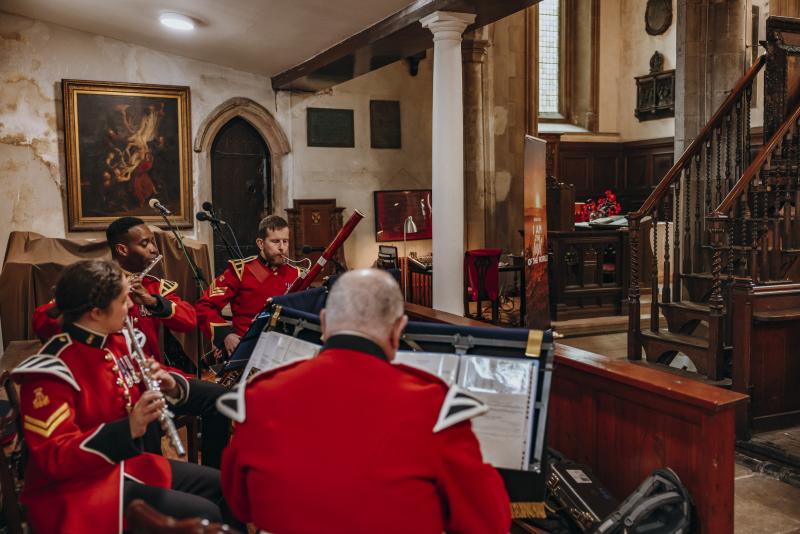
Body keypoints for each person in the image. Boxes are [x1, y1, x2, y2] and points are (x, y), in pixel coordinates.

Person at [218, 269, 511, 534]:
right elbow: (489, 523)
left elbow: (240, 503)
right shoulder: (436, 409)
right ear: (399, 329)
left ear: (323, 323)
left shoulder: (260, 396)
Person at [12, 260, 226, 533]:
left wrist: (170, 387)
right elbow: (55, 459)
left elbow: (136, 393)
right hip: (76, 490)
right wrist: (130, 427)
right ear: (95, 312)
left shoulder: (118, 341)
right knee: (204, 513)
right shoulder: (50, 372)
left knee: (224, 487)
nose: (131, 307)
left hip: (123, 467)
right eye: (124, 300)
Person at [32, 216, 230, 468]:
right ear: (122, 249)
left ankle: (215, 475)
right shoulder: (97, 285)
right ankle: (152, 480)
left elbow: (189, 320)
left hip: (153, 374)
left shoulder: (154, 287)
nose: (154, 250)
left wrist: (152, 302)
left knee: (220, 399)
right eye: (145, 243)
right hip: (111, 380)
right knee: (140, 421)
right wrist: (87, 301)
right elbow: (41, 322)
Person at [196, 214, 298, 356]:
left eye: (285, 241)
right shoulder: (241, 271)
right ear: (260, 243)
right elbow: (204, 306)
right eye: (275, 241)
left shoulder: (297, 274)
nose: (282, 248)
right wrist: (226, 335)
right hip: (247, 350)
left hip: (285, 351)